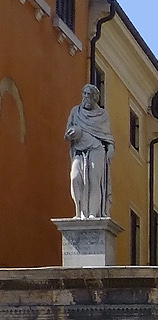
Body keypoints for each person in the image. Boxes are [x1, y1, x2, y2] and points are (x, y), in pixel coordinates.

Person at [64, 84, 113, 219]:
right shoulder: (76, 112)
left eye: (89, 95)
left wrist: (111, 148)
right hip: (79, 150)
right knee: (75, 178)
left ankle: (92, 214)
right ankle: (79, 212)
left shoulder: (103, 115)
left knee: (93, 181)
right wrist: (71, 134)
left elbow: (108, 136)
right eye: (84, 94)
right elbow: (66, 134)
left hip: (96, 149)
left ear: (95, 97)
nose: (85, 97)